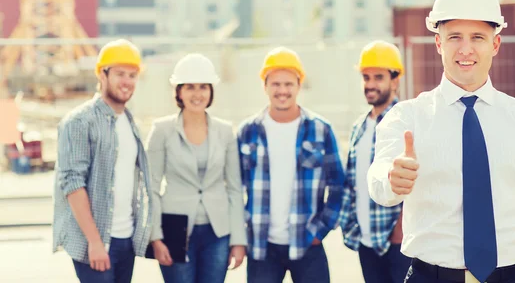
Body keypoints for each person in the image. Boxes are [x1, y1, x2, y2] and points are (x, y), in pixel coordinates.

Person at [368, 0, 515, 282]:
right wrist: (392, 180)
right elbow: (379, 184)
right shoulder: (406, 118)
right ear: (438, 43)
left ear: (495, 44)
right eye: (455, 36)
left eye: (478, 37)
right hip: (429, 276)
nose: (466, 49)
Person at [237, 47, 346, 283]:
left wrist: (320, 230)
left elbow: (339, 185)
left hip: (308, 243)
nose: (282, 90)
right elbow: (234, 189)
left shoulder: (320, 129)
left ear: (299, 85)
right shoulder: (247, 132)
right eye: (276, 84)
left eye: (289, 84)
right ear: (265, 86)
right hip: (262, 247)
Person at [53, 39, 153, 282]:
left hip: (125, 239)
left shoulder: (130, 122)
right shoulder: (79, 121)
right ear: (102, 74)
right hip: (96, 243)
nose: (127, 82)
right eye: (120, 74)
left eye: (132, 75)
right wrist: (95, 242)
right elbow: (72, 183)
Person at [146, 53, 246, 283]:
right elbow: (150, 186)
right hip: (174, 228)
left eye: (203, 87)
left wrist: (238, 240)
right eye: (190, 87)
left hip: (217, 231)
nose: (197, 94)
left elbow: (234, 188)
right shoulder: (162, 131)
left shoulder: (224, 131)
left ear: (211, 91)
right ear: (179, 91)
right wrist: (156, 237)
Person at [338, 40, 412, 283]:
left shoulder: (406, 120)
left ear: (395, 80)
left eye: (378, 77)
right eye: (366, 77)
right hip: (366, 240)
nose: (370, 84)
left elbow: (419, 178)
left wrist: (401, 229)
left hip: (398, 243)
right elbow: (352, 182)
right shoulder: (359, 126)